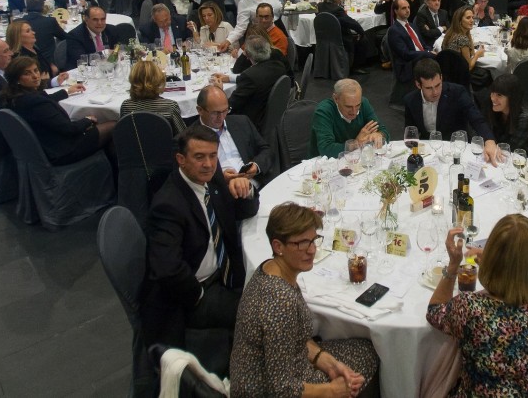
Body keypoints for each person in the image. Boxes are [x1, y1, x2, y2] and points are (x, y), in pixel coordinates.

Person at [230, 202, 378, 397]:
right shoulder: (280, 301)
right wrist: (332, 391)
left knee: (364, 350)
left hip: (284, 368)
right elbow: (282, 390)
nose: (311, 250)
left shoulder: (272, 268)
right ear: (278, 246)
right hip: (264, 390)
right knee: (367, 357)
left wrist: (328, 363)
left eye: (313, 240)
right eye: (301, 243)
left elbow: (293, 339)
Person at [142, 124, 259, 352]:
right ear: (181, 159)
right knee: (264, 313)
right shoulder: (168, 205)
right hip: (196, 292)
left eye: (212, 156)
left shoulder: (211, 178)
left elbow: (245, 212)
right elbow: (167, 268)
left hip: (227, 274)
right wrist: (199, 297)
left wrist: (246, 190)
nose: (207, 164)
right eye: (199, 157)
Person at [428, 217, 528, 397]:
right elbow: (518, 273)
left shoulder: (472, 309)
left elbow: (435, 311)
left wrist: (452, 266)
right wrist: (494, 262)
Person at [1, 56, 112, 165]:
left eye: (35, 70)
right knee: (114, 124)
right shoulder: (35, 102)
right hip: (63, 150)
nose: (35, 76)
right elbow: (69, 129)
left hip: (44, 146)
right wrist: (87, 119)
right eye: (27, 73)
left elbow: (45, 99)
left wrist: (67, 91)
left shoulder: (17, 97)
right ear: (16, 79)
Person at [404, 58, 496, 156]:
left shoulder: (457, 92)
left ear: (441, 78)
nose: (435, 92)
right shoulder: (410, 100)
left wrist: (489, 140)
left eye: (438, 85)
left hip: (455, 148)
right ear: (418, 85)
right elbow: (411, 132)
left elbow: (476, 118)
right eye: (429, 88)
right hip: (428, 150)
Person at [195, 84, 275, 186]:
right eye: (215, 113)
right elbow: (191, 174)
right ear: (200, 110)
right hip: (220, 192)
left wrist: (256, 165)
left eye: (225, 111)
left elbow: (266, 150)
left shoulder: (242, 122)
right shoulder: (190, 139)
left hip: (254, 184)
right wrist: (221, 177)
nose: (221, 117)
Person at [309, 79, 389, 158]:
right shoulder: (324, 111)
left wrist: (378, 135)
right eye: (348, 106)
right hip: (323, 164)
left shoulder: (364, 103)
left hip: (356, 159)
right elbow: (326, 150)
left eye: (358, 105)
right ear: (336, 98)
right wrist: (356, 143)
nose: (354, 111)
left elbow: (384, 132)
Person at [228, 35, 290, 133]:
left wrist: (220, 91)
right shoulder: (279, 66)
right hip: (274, 116)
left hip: (252, 121)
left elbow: (232, 104)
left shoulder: (249, 76)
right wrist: (229, 78)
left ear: (247, 55)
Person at [119, 59, 186, 134]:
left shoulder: (126, 105)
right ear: (159, 80)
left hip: (135, 145)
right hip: (165, 144)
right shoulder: (170, 106)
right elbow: (182, 134)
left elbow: (123, 132)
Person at [386, 0, 435, 97]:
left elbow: (423, 44)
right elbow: (405, 54)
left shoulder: (412, 25)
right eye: (403, 8)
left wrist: (430, 50)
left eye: (408, 7)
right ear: (395, 11)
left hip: (421, 57)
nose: (407, 10)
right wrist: (427, 53)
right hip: (408, 64)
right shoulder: (394, 30)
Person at [484, 74, 528, 152]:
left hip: (525, 159)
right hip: (502, 156)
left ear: (512, 98)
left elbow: (510, 148)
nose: (493, 98)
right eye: (492, 93)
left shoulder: (525, 118)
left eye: (499, 95)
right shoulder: (495, 110)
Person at [6, 19, 65, 88]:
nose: (33, 32)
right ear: (18, 37)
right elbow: (29, 84)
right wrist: (48, 80)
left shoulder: (34, 48)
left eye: (31, 30)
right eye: (28, 31)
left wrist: (51, 68)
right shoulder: (20, 57)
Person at [443, 5, 490, 86]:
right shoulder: (462, 39)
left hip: (448, 74)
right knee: (488, 73)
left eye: (472, 17)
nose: (472, 20)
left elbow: (471, 52)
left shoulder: (450, 34)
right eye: (468, 18)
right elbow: (468, 67)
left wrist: (468, 32)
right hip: (460, 77)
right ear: (460, 21)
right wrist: (478, 54)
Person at [65, 6, 119, 70]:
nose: (100, 23)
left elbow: (118, 48)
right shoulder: (75, 35)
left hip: (108, 69)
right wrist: (105, 53)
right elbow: (81, 59)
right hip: (84, 71)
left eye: (103, 19)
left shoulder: (111, 30)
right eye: (95, 19)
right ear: (86, 20)